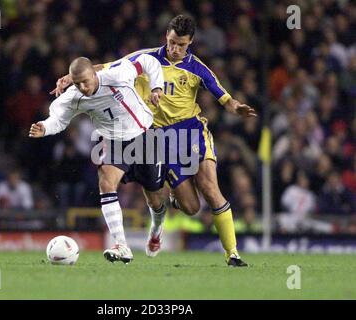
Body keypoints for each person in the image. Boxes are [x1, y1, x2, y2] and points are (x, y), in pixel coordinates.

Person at [52, 15, 257, 267]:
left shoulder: (196, 68)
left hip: (191, 132)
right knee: (191, 207)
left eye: (180, 45)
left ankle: (232, 253)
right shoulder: (146, 58)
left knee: (211, 190)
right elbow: (106, 67)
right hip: (158, 137)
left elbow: (222, 95)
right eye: (171, 42)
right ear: (166, 37)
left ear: (190, 42)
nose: (174, 49)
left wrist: (236, 107)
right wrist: (70, 77)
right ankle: (169, 206)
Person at [30, 55, 167, 264]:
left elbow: (148, 61)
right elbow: (58, 119)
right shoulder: (74, 97)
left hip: (145, 134)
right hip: (114, 141)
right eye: (77, 83)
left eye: (86, 81)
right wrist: (45, 127)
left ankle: (156, 232)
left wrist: (157, 87)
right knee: (105, 182)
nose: (83, 87)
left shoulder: (117, 75)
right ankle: (122, 245)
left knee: (155, 198)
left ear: (95, 73)